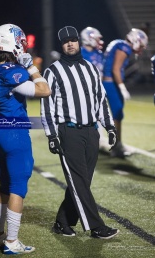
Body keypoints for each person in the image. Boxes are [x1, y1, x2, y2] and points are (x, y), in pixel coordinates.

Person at [0, 23, 51, 255]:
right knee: (18, 189)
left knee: (5, 188)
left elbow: (0, 69)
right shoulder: (12, 72)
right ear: (15, 44)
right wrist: (32, 68)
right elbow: (43, 90)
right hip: (16, 133)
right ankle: (11, 241)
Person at [41, 26, 119, 239]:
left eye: (73, 40)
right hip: (69, 133)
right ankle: (96, 227)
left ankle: (62, 222)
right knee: (79, 181)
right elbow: (47, 106)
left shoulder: (91, 68)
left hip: (91, 132)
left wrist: (109, 126)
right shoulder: (53, 71)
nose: (70, 44)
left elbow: (100, 99)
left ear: (78, 42)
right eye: (66, 41)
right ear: (62, 45)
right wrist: (51, 135)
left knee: (81, 182)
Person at [103, 28, 148, 157]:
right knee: (117, 114)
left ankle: (118, 144)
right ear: (135, 41)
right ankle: (116, 146)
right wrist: (122, 87)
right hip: (111, 83)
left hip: (108, 83)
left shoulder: (119, 43)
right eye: (141, 45)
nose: (141, 49)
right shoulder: (124, 48)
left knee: (117, 114)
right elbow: (116, 70)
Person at [80, 26, 108, 149]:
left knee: (100, 114)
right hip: (82, 89)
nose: (98, 41)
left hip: (97, 88)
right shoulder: (79, 53)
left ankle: (99, 138)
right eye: (96, 38)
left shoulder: (98, 53)